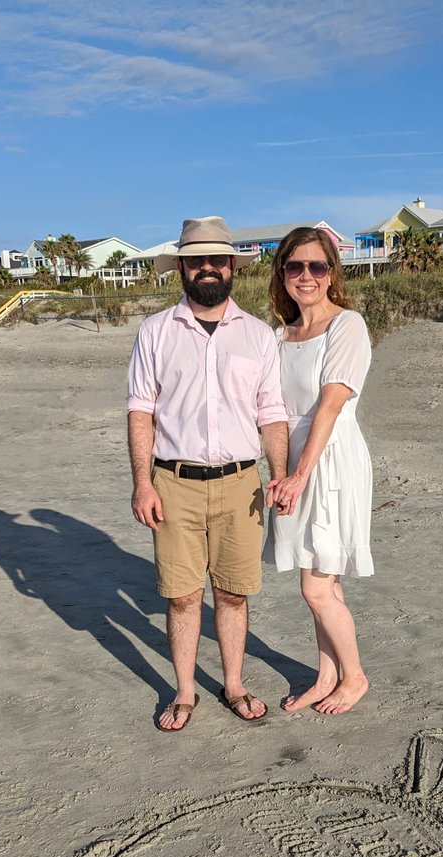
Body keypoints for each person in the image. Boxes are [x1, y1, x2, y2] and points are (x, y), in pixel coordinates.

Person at [127, 216, 289, 730]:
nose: (208, 268)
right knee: (182, 596)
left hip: (242, 484)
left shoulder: (259, 335)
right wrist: (142, 483)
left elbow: (271, 412)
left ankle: (234, 684)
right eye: (197, 260)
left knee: (233, 592)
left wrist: (280, 474)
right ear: (182, 267)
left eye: (217, 259)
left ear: (232, 267)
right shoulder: (155, 331)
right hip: (173, 482)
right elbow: (141, 411)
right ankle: (184, 690)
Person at [264, 227, 374, 715]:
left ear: (331, 273)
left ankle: (355, 677)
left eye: (316, 266)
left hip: (330, 461)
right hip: (295, 461)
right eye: (295, 266)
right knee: (322, 581)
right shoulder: (279, 336)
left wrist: (300, 475)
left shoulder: (346, 325)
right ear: (282, 273)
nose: (305, 276)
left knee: (315, 585)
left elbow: (330, 405)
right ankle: (326, 676)